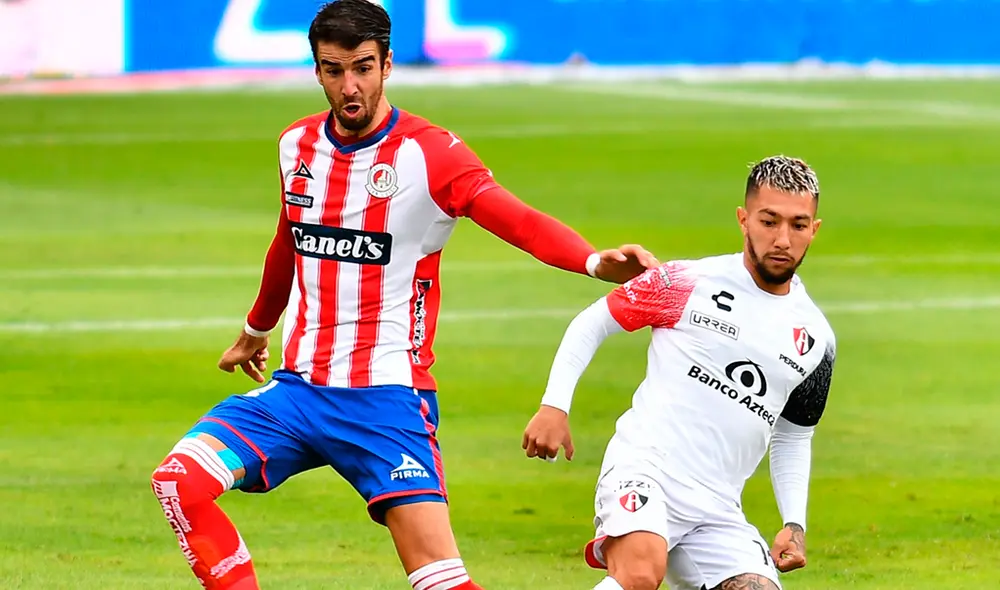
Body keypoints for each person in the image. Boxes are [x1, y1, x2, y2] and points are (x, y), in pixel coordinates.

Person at [148, 1, 658, 589]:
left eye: (363, 67)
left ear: (388, 63)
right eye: (334, 70)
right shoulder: (296, 146)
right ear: (317, 71)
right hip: (297, 393)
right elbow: (289, 240)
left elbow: (516, 219)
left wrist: (593, 260)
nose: (350, 86)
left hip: (387, 402)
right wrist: (258, 329)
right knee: (178, 482)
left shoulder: (431, 154)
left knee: (440, 581)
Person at [522, 155, 837, 590]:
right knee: (639, 574)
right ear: (744, 220)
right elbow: (594, 321)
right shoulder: (688, 281)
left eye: (798, 225)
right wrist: (554, 406)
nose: (783, 238)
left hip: (717, 507)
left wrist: (794, 522)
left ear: (814, 229)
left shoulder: (817, 338)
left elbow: (795, 433)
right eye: (769, 221)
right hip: (646, 468)